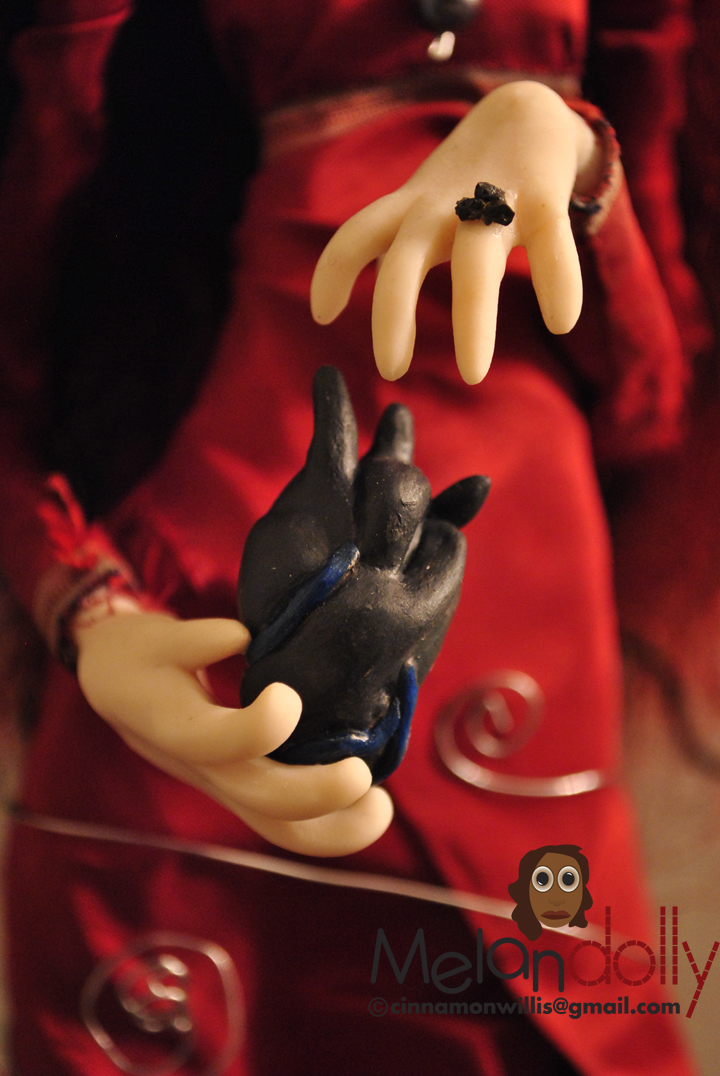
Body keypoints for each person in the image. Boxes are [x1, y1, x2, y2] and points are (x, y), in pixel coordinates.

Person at [0, 0, 709, 1072]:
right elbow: (16, 368)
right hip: (201, 644)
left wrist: (570, 153)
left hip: (520, 642)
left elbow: (653, 404)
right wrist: (87, 609)